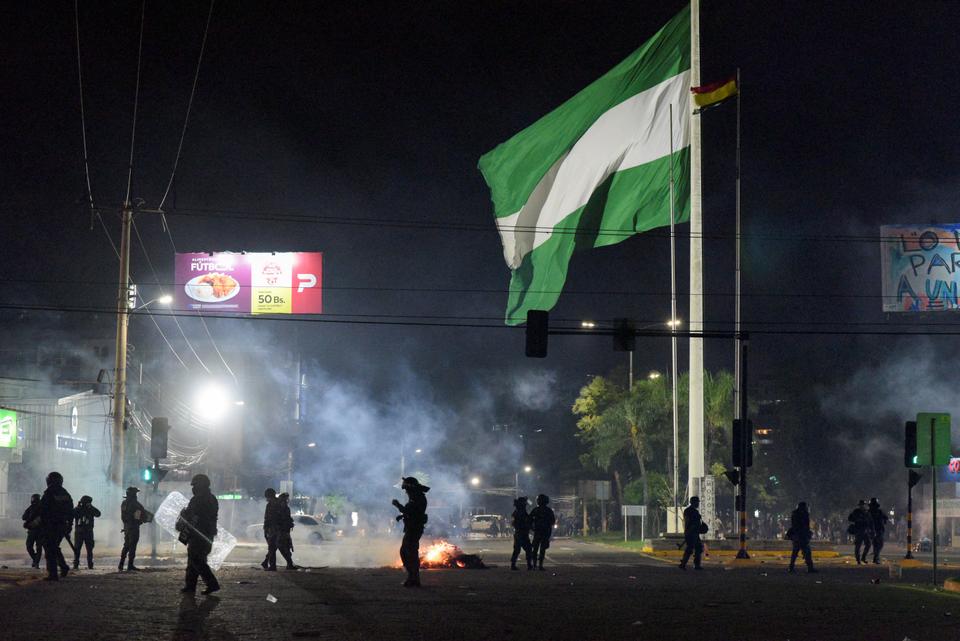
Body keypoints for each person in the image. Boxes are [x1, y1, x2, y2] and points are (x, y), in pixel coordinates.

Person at [179, 473, 220, 595]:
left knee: (197, 561)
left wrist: (183, 516)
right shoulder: (211, 498)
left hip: (198, 535)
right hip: (207, 534)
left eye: (195, 485)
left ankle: (212, 584)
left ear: (201, 486)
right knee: (194, 561)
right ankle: (190, 586)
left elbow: (192, 516)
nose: (193, 488)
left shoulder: (198, 499)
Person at [392, 476, 429, 587]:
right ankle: (412, 577)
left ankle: (414, 578)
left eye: (407, 489)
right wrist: (402, 515)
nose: (406, 492)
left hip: (414, 528)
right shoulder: (416, 497)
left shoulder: (418, 498)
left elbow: (411, 511)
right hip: (412, 527)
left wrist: (398, 505)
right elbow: (412, 512)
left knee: (410, 553)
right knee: (406, 552)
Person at [39, 471, 73, 581]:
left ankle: (53, 574)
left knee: (50, 549)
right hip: (62, 525)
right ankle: (63, 567)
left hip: (51, 525)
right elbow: (70, 511)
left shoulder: (50, 492)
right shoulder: (65, 493)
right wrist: (69, 525)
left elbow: (42, 509)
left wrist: (31, 521)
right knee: (54, 547)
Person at [119, 487, 147, 571]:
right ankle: (130, 565)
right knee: (132, 547)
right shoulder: (136, 504)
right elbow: (143, 515)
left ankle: (121, 564)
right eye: (136, 493)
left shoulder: (124, 503)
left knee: (126, 546)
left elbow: (123, 517)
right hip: (134, 527)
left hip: (126, 527)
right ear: (133, 494)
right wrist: (143, 520)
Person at [787, 501, 817, 573]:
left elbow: (795, 525)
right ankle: (810, 568)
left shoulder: (795, 514)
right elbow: (805, 526)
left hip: (797, 535)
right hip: (802, 536)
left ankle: (791, 568)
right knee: (806, 552)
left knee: (795, 552)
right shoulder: (804, 514)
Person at [73, 495, 101, 570]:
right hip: (82, 532)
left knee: (88, 549)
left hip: (84, 531)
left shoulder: (89, 509)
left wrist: (91, 507)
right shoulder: (78, 509)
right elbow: (72, 514)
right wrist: (78, 507)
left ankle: (87, 564)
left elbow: (98, 514)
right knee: (79, 549)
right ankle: (78, 564)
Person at [530, 494, 556, 571]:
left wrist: (532, 528)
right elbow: (552, 521)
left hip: (538, 532)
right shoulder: (548, 510)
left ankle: (535, 565)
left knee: (535, 549)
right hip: (544, 532)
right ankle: (540, 565)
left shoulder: (535, 510)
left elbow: (529, 520)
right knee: (542, 549)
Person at [680, 496, 705, 570]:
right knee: (690, 549)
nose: (698, 503)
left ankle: (696, 565)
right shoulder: (690, 511)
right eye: (697, 502)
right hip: (691, 533)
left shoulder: (692, 511)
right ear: (693, 502)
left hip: (694, 533)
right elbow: (689, 522)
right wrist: (689, 531)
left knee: (698, 548)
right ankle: (683, 564)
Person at [510, 496, 533, 571]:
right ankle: (529, 565)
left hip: (519, 533)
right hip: (522, 533)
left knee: (517, 549)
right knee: (528, 549)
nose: (525, 504)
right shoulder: (520, 512)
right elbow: (525, 521)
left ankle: (513, 565)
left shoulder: (517, 511)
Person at [847, 500, 873, 565]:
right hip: (859, 530)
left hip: (866, 531)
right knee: (858, 546)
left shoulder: (867, 512)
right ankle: (858, 560)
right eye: (861, 505)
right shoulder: (856, 511)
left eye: (863, 504)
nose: (862, 506)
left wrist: (872, 530)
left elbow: (871, 522)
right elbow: (850, 518)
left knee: (868, 544)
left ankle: (863, 558)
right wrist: (857, 519)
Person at [275, 492, 297, 570]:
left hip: (284, 531)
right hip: (282, 531)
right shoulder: (281, 508)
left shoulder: (285, 508)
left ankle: (289, 563)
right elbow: (281, 519)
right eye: (285, 499)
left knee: (285, 547)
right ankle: (289, 563)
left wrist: (290, 522)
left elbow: (287, 518)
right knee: (282, 547)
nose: (287, 500)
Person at [260, 488, 280, 571]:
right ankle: (266, 562)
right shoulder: (279, 503)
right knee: (274, 547)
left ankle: (272, 566)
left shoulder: (271, 504)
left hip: (272, 529)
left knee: (272, 547)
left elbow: (268, 518)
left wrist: (266, 529)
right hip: (279, 528)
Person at [22, 494, 43, 568]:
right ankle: (35, 560)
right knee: (32, 547)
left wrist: (28, 521)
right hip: (34, 531)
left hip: (37, 531)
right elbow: (24, 517)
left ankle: (36, 562)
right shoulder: (32, 508)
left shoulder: (41, 508)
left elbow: (24, 517)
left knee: (35, 547)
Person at [867, 498, 889, 564]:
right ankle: (876, 557)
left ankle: (876, 557)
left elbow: (885, 518)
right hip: (878, 530)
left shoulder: (869, 512)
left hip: (873, 530)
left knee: (876, 544)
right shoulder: (879, 511)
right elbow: (886, 518)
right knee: (880, 544)